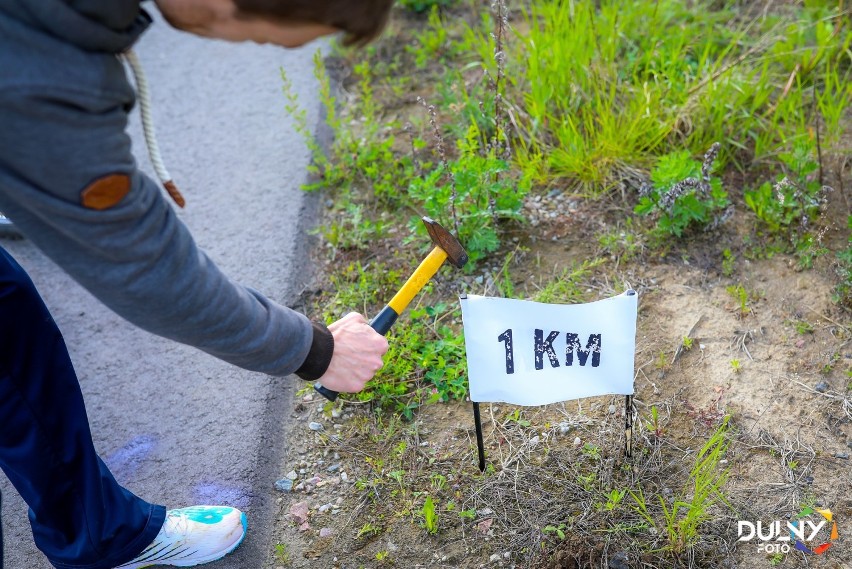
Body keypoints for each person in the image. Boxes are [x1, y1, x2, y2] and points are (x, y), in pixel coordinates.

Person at [0, 0, 393, 567]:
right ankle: (101, 535)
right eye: (264, 39)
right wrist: (315, 350)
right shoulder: (50, 77)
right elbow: (149, 273)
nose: (249, 47)